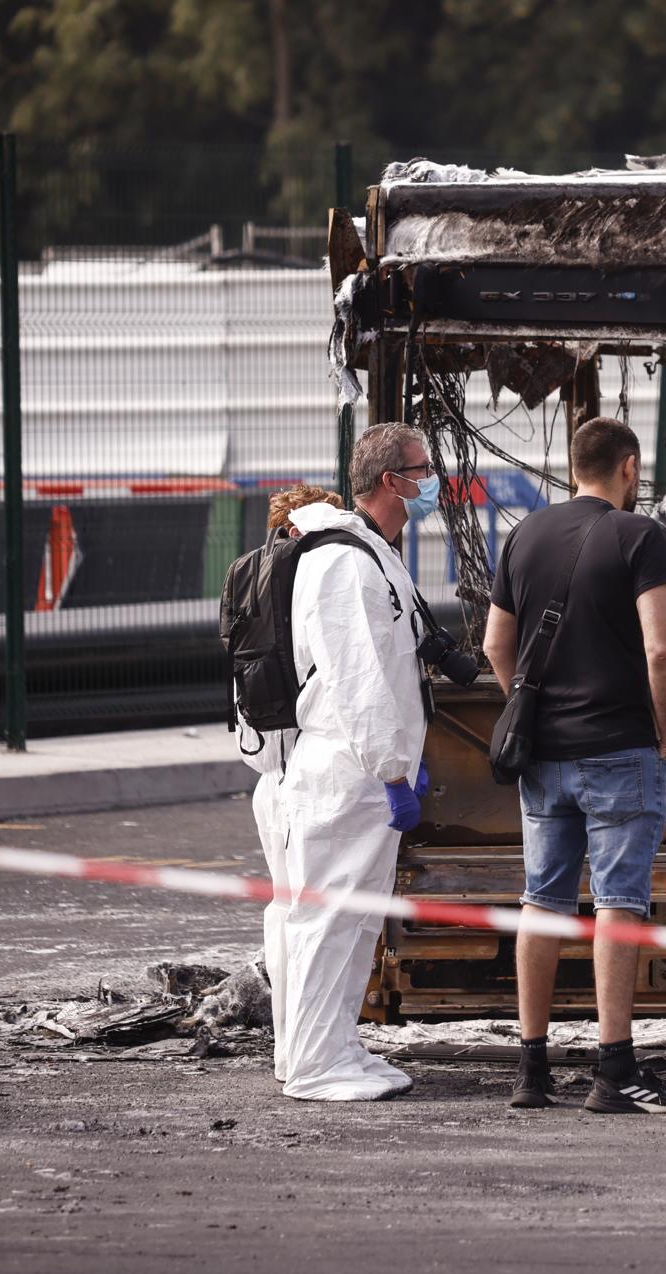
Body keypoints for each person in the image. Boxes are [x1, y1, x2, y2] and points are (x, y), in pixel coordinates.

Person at [482, 416, 666, 1114]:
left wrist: (530, 708)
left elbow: (494, 644)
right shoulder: (639, 536)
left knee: (541, 900)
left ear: (574, 466)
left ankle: (531, 1069)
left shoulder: (524, 536)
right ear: (628, 467)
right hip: (620, 748)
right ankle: (614, 1070)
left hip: (545, 756)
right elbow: (661, 650)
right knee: (617, 904)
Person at [272, 425, 440, 1099]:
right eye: (423, 468)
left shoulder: (368, 553)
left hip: (362, 771)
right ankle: (314, 1063)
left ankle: (331, 1045)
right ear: (392, 481)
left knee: (353, 920)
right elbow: (359, 679)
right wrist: (394, 770)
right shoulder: (343, 560)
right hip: (350, 771)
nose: (434, 479)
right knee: (331, 919)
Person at [236, 484, 340, 1085]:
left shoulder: (249, 589)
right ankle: (309, 1053)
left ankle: (286, 1049)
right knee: (313, 922)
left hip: (267, 778)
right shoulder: (307, 592)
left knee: (284, 913)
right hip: (308, 775)